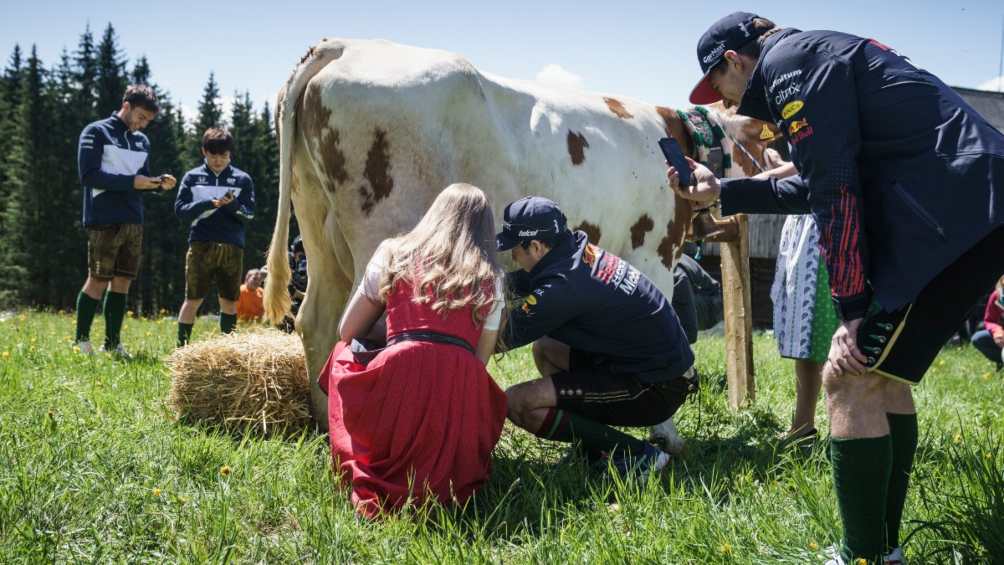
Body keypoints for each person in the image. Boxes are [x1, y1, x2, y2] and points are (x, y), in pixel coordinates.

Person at [672, 12, 1004, 563]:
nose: (725, 103)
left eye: (719, 87)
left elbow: (835, 191)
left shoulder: (787, 66)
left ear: (735, 61)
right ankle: (883, 547)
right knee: (886, 378)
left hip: (952, 218)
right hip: (971, 208)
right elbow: (816, 181)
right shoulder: (818, 52)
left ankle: (862, 555)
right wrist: (722, 192)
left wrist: (851, 309)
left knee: (847, 378)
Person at [319, 183, 508, 518]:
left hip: (400, 374)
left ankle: (365, 453)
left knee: (341, 355)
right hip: (456, 386)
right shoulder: (491, 277)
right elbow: (480, 362)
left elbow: (347, 331)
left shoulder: (394, 252)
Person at [499, 196, 697, 476]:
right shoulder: (571, 251)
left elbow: (498, 338)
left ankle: (641, 457)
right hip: (654, 369)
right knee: (546, 348)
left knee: (519, 403)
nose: (512, 257)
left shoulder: (563, 287)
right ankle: (595, 450)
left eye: (514, 249)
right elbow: (520, 281)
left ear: (536, 246)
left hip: (655, 388)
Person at [73, 84, 177, 357]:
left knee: (123, 282)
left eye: (148, 121)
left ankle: (113, 344)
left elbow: (140, 179)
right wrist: (134, 182)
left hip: (134, 219)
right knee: (98, 279)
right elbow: (89, 176)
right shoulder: (96, 132)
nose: (143, 124)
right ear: (127, 106)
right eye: (141, 117)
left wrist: (157, 184)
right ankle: (80, 342)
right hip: (103, 217)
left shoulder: (142, 141)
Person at [174, 128, 255, 347]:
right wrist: (207, 204)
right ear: (204, 152)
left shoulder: (243, 179)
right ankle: (182, 349)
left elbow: (249, 214)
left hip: (232, 247)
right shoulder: (192, 178)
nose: (218, 160)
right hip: (201, 244)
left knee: (229, 301)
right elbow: (180, 210)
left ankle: (228, 352)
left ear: (230, 154)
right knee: (192, 299)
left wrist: (233, 205)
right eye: (213, 155)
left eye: (224, 155)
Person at [970, 276, 1004, 370]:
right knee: (978, 339)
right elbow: (989, 320)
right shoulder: (997, 296)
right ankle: (1000, 360)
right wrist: (996, 331)